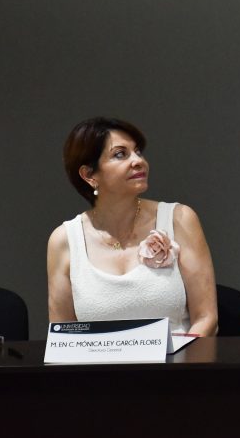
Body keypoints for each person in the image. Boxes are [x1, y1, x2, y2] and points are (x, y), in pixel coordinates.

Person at [47, 117, 218, 335]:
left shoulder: (179, 218)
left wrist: (179, 355)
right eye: (120, 154)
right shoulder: (64, 239)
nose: (138, 161)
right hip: (98, 358)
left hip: (177, 356)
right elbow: (64, 335)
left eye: (138, 152)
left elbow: (206, 318)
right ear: (89, 175)